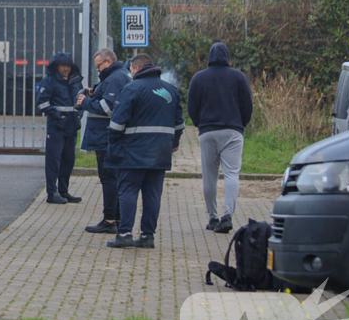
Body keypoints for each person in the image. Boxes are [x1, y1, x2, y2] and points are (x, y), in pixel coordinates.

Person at [105, 54, 185, 249]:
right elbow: (180, 124)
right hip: (160, 153)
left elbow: (116, 125)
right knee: (152, 195)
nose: (130, 73)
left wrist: (114, 144)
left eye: (131, 70)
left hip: (133, 152)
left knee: (128, 191)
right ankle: (147, 236)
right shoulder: (170, 90)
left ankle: (124, 234)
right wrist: (173, 142)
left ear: (137, 69)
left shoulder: (131, 89)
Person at [187, 42, 253, 234]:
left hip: (208, 131)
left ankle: (212, 217)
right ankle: (227, 215)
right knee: (232, 173)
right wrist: (241, 124)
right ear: (227, 56)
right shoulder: (238, 77)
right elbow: (247, 104)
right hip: (232, 131)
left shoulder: (198, 78)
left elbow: (192, 106)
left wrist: (200, 124)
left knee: (210, 176)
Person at [77, 48, 131, 234]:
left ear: (108, 62)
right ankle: (115, 218)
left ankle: (109, 220)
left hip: (105, 137)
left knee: (108, 179)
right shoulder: (119, 75)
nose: (97, 70)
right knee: (113, 179)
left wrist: (85, 102)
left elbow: (108, 108)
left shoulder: (115, 78)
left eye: (99, 66)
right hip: (109, 137)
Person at [36, 52, 84, 204]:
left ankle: (63, 191)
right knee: (53, 161)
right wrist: (57, 115)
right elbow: (42, 102)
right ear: (56, 67)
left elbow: (82, 99)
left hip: (72, 126)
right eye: (63, 66)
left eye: (68, 65)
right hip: (56, 127)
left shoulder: (76, 81)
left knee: (68, 161)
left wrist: (79, 114)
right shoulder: (49, 81)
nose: (66, 69)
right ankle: (52, 192)